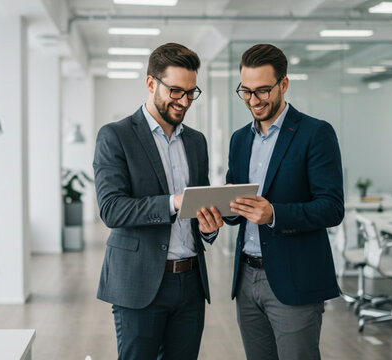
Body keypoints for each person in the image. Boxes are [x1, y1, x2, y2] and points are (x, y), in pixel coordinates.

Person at [93, 42, 223, 360]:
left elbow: (198, 204)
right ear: (151, 83)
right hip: (139, 283)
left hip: (190, 281)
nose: (184, 101)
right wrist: (172, 203)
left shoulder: (196, 142)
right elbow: (111, 208)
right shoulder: (115, 136)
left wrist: (209, 227)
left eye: (191, 92)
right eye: (176, 91)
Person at [225, 43, 344, 360]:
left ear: (284, 84)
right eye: (246, 91)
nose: (253, 100)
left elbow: (331, 207)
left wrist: (275, 213)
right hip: (246, 278)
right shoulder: (240, 139)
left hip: (294, 279)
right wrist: (222, 211)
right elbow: (235, 198)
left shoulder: (315, 133)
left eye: (263, 90)